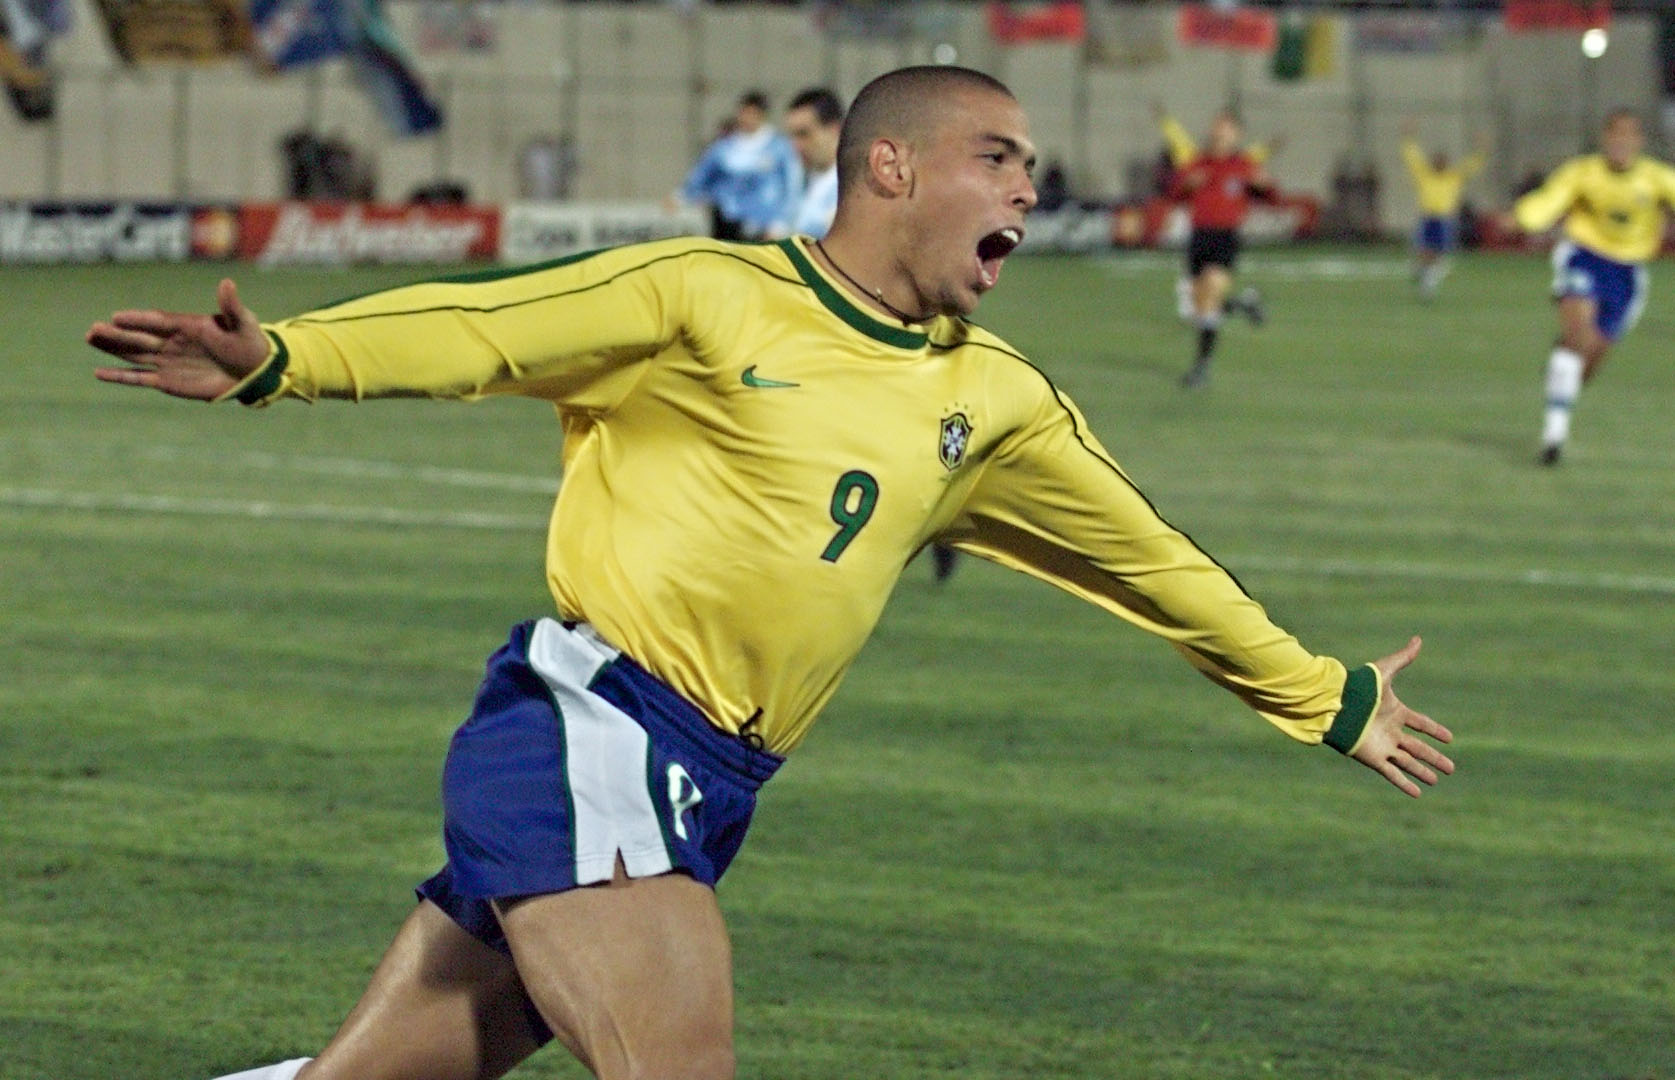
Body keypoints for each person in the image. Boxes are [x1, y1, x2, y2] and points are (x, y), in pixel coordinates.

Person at [87, 66, 1453, 1080]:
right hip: (594, 734)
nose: (1029, 188)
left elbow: (1147, 562)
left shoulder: (995, 402)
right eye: (998, 157)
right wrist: (285, 362)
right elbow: (488, 329)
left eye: (1030, 166)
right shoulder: (710, 297)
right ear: (891, 171)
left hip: (707, 787)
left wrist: (1320, 696)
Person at [1511, 108, 1675, 466]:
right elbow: (1550, 200)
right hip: (1584, 257)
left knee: (1591, 357)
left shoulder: (1656, 178)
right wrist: (1526, 216)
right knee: (1577, 334)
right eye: (1614, 134)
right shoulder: (1583, 173)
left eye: (1628, 135)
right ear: (1605, 138)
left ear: (1639, 142)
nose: (1620, 141)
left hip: (1628, 273)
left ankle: (1561, 380)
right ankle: (1553, 436)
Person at [1167, 110, 1274, 389]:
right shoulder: (1197, 163)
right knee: (1197, 309)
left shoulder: (1244, 166)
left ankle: (1201, 368)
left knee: (1211, 295)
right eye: (1217, 126)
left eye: (1226, 128)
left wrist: (1265, 186)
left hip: (1225, 238)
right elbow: (1174, 192)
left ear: (1237, 135)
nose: (1219, 132)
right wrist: (1186, 185)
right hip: (1199, 237)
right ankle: (1242, 304)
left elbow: (1271, 196)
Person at [671, 89, 801, 241]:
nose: (747, 118)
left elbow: (792, 187)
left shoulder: (779, 148)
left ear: (762, 115)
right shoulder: (724, 147)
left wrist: (781, 223)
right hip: (727, 224)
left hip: (762, 228)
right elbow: (703, 174)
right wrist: (681, 196)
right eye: (744, 113)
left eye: (752, 113)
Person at [1401, 119, 1487, 301]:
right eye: (1437, 160)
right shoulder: (1424, 174)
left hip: (1444, 219)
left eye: (1442, 161)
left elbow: (1473, 165)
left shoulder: (1453, 176)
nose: (1439, 163)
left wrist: (1481, 146)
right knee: (1425, 251)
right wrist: (1408, 136)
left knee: (1440, 255)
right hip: (1427, 217)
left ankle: (1424, 276)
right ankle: (1425, 282)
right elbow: (1412, 156)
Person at [779, 85, 844, 239]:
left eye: (804, 134)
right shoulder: (797, 180)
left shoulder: (853, 190)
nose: (796, 145)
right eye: (792, 136)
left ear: (834, 129)